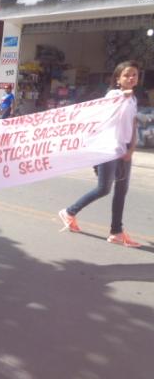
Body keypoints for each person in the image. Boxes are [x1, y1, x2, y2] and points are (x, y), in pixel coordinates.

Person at [58, 60, 142, 247]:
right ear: (118, 79)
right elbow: (115, 101)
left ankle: (116, 232)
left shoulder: (134, 100)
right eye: (127, 75)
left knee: (122, 191)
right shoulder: (113, 95)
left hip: (124, 150)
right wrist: (124, 93)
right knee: (104, 189)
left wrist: (131, 149)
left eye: (134, 75)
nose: (131, 78)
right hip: (108, 149)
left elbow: (133, 125)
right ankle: (69, 212)